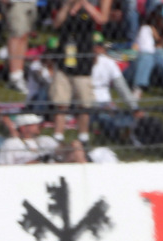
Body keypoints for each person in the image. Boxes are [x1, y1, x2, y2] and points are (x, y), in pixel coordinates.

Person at [49, 0, 110, 144]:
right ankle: (58, 135)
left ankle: (83, 135)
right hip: (65, 56)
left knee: (84, 102)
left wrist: (85, 5)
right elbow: (57, 24)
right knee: (61, 101)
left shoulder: (91, 5)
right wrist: (68, 5)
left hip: (83, 59)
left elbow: (101, 19)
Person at [89, 32, 140, 144]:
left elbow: (122, 88)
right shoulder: (81, 63)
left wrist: (135, 108)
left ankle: (127, 132)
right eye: (94, 45)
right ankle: (120, 135)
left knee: (128, 116)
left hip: (106, 103)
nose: (97, 48)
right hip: (88, 104)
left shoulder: (108, 62)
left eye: (99, 45)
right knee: (104, 118)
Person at [131, 3, 163, 98]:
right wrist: (162, 40)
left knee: (160, 52)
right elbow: (148, 52)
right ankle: (138, 87)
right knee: (155, 54)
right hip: (140, 67)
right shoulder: (146, 29)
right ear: (156, 17)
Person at [6, 0, 39, 93]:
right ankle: (14, 77)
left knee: (24, 36)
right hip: (16, 2)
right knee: (17, 36)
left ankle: (19, 73)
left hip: (31, 2)